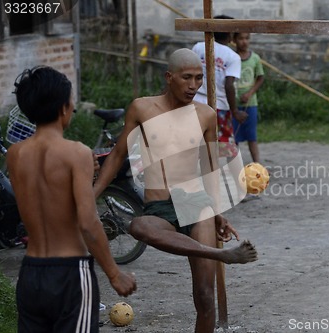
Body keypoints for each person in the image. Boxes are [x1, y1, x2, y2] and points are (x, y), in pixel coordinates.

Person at [93, 48, 257, 333]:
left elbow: (209, 169)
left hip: (195, 203)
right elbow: (118, 155)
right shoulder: (142, 108)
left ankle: (212, 253)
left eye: (198, 79)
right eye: (187, 78)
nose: (194, 86)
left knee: (205, 297)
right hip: (159, 206)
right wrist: (91, 195)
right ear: (169, 77)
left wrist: (217, 212)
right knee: (138, 226)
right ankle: (218, 255)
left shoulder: (205, 115)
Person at [9, 66, 137, 333]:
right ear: (63, 108)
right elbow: (88, 222)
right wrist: (114, 274)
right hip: (70, 273)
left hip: (31, 273)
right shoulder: (77, 152)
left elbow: (48, 197)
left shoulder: (15, 154)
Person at [192, 14, 247, 160]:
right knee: (222, 145)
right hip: (219, 106)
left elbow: (188, 73)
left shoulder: (198, 47)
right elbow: (229, 85)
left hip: (195, 102)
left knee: (195, 143)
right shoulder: (233, 57)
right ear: (230, 34)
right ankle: (222, 175)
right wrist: (235, 111)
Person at [232, 32, 265, 164]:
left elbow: (260, 77)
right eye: (241, 38)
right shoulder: (232, 58)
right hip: (233, 103)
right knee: (234, 137)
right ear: (234, 40)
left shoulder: (255, 58)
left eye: (247, 38)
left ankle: (257, 164)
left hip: (250, 104)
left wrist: (250, 93)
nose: (244, 42)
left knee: (252, 136)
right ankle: (234, 165)